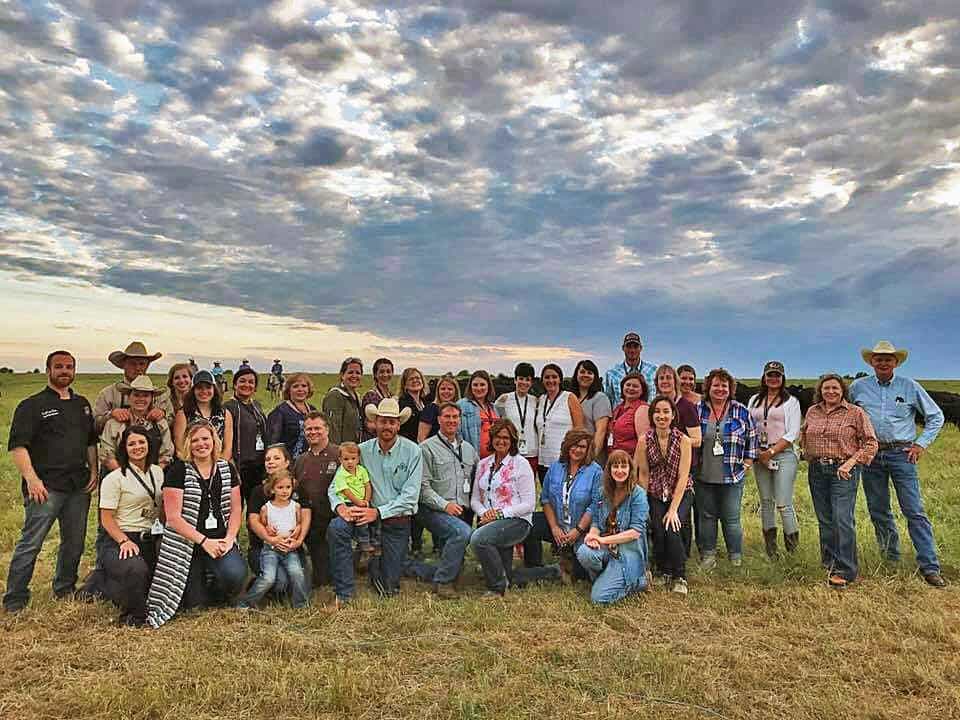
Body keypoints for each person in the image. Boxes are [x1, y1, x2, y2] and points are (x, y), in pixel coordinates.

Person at [4, 351, 98, 612]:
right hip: (45, 488)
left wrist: (94, 471)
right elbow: (18, 447)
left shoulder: (82, 405)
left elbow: (91, 442)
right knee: (31, 543)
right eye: (59, 366)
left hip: (77, 486)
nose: (64, 371)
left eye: (69, 367)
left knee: (74, 541)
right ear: (48, 370)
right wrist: (32, 480)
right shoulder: (31, 405)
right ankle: (15, 599)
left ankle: (65, 588)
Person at [850, 341, 948, 588]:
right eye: (878, 359)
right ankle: (890, 559)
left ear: (896, 362)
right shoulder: (857, 388)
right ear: (871, 362)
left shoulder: (909, 386)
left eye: (888, 359)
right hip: (871, 455)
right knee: (879, 509)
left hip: (902, 453)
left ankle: (929, 566)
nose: (883, 363)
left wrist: (921, 443)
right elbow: (847, 416)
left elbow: (936, 416)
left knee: (914, 510)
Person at [146, 422, 246, 627]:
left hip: (220, 539)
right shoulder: (178, 470)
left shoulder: (227, 468)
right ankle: (200, 582)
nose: (201, 444)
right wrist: (204, 541)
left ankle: (217, 587)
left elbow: (236, 509)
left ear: (214, 441)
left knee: (235, 575)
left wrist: (228, 539)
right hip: (187, 543)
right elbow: (173, 518)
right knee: (193, 606)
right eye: (196, 440)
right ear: (188, 444)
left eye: (205, 438)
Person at [327, 398, 421, 605]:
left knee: (388, 586)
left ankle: (380, 564)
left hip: (395, 519)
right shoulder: (361, 451)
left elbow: (411, 497)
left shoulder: (413, 451)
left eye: (392, 422)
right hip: (363, 516)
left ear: (398, 425)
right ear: (374, 423)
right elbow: (335, 486)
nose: (387, 426)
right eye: (382, 421)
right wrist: (340, 506)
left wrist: (378, 512)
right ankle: (344, 592)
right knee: (337, 527)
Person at [801, 373, 878, 589]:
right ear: (820, 391)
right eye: (826, 388)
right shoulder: (812, 411)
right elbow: (805, 434)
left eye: (835, 388)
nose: (831, 392)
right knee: (825, 519)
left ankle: (846, 569)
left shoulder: (855, 413)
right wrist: (808, 454)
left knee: (842, 518)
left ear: (843, 390)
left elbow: (870, 443)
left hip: (843, 470)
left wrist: (851, 462)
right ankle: (829, 561)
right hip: (817, 470)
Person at [407, 402, 478, 598]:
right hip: (432, 508)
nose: (451, 421)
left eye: (455, 417)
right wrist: (444, 505)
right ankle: (443, 583)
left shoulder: (469, 450)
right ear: (439, 420)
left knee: (458, 560)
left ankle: (417, 569)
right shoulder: (426, 448)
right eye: (447, 417)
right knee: (461, 533)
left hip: (461, 510)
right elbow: (422, 489)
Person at [96, 426, 164, 625]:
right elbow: (106, 518)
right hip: (121, 539)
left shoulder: (158, 472)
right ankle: (135, 617)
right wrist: (124, 541)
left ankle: (104, 583)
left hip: (151, 537)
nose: (137, 447)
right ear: (124, 449)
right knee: (136, 570)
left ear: (149, 444)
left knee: (157, 580)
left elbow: (161, 506)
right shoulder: (114, 478)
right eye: (131, 444)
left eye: (141, 442)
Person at [696, 368, 758, 569]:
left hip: (732, 475)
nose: (720, 389)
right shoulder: (698, 409)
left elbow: (752, 438)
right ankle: (708, 555)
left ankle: (735, 556)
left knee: (731, 518)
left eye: (724, 385)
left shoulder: (741, 410)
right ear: (708, 387)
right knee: (707, 517)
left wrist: (748, 463)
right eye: (716, 385)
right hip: (703, 475)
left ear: (730, 388)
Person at [522, 429, 601, 584]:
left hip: (581, 530)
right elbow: (545, 500)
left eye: (582, 446)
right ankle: (535, 566)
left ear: (588, 449)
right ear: (567, 446)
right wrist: (554, 528)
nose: (577, 450)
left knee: (581, 574)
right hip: (558, 525)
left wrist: (577, 531)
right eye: (574, 445)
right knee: (527, 523)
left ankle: (562, 567)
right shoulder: (555, 467)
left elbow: (594, 506)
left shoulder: (595, 471)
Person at [470, 419, 537, 598]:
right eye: (497, 437)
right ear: (491, 439)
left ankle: (497, 588)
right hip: (490, 520)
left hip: (517, 521)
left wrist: (499, 514)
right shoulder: (483, 463)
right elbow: (475, 499)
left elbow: (529, 504)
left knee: (479, 539)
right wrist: (486, 514)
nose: (501, 441)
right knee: (508, 573)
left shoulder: (521, 464)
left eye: (506, 437)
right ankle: (554, 571)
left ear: (512, 440)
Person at [575, 450, 650, 604]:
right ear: (609, 469)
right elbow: (596, 521)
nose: (620, 471)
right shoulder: (602, 492)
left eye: (624, 466)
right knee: (583, 551)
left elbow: (635, 533)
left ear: (630, 469)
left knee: (598, 599)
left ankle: (639, 581)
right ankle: (607, 578)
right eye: (615, 466)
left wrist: (602, 540)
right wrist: (592, 536)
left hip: (627, 553)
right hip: (607, 549)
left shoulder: (638, 494)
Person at [636, 397, 694, 595]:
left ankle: (680, 576)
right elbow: (642, 474)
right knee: (658, 529)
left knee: (672, 526)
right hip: (655, 491)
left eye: (666, 411)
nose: (662, 416)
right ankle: (662, 570)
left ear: (673, 415)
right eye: (657, 412)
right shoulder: (644, 440)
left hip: (681, 491)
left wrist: (673, 509)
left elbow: (683, 476)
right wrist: (642, 502)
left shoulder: (683, 440)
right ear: (652, 415)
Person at [748, 361, 802, 558]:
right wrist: (756, 453)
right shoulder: (754, 400)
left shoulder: (791, 402)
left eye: (777, 375)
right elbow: (748, 426)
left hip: (783, 454)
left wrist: (770, 453)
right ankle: (771, 550)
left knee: (783, 503)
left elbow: (793, 432)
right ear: (764, 377)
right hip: (759, 454)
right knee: (766, 501)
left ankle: (792, 551)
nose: (773, 378)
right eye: (770, 374)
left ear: (783, 378)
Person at [239, 471, 310, 609]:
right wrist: (268, 529)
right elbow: (262, 524)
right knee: (268, 578)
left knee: (297, 573)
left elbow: (299, 523)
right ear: (272, 489)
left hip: (289, 549)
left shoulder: (296, 506)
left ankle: (301, 605)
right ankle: (246, 602)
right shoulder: (266, 508)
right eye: (280, 487)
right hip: (270, 550)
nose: (284, 491)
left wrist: (298, 529)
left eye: (288, 487)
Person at [246, 444, 311, 591]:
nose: (270, 461)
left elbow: (305, 516)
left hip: (291, 546)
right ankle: (260, 582)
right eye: (267, 459)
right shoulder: (258, 491)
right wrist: (271, 539)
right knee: (280, 584)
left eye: (276, 458)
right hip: (264, 547)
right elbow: (253, 521)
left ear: (287, 462)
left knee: (300, 582)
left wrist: (299, 540)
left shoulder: (297, 489)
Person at [292, 412, 339, 587]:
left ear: (327, 429)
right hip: (310, 522)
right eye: (308, 429)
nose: (313, 432)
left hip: (334, 519)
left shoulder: (339, 454)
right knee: (321, 579)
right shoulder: (301, 460)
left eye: (317, 428)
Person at [98, 375, 175, 473]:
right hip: (119, 477)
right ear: (129, 397)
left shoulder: (160, 423)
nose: (141, 399)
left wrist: (153, 476)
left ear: (152, 398)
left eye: (145, 395)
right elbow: (107, 455)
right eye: (136, 395)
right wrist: (126, 477)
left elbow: (166, 455)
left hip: (153, 476)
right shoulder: (114, 423)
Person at [93, 341, 172, 433]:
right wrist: (111, 415)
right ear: (123, 365)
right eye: (133, 363)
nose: (138, 368)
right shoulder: (107, 394)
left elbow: (172, 421)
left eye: (142, 364)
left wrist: (162, 414)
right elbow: (94, 425)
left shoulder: (160, 395)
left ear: (147, 366)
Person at [223, 366, 268, 504]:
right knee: (235, 507)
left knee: (257, 508)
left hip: (258, 465)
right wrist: (231, 466)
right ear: (235, 385)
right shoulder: (228, 407)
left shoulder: (257, 406)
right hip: (240, 465)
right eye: (242, 381)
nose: (246, 385)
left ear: (255, 387)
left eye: (251, 382)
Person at [172, 369, 234, 461]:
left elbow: (228, 448)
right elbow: (180, 449)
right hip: (191, 465)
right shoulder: (183, 414)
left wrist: (217, 467)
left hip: (219, 464)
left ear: (214, 389)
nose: (204, 391)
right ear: (193, 390)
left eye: (208, 387)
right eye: (199, 388)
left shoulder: (225, 414)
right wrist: (198, 468)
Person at [332, 442, 379, 556]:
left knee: (375, 518)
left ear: (358, 458)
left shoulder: (361, 470)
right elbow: (346, 491)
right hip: (349, 502)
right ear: (340, 459)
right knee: (360, 520)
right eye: (346, 459)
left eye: (353, 458)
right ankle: (363, 542)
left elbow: (367, 485)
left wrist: (366, 501)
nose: (350, 462)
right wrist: (358, 503)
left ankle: (375, 540)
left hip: (363, 501)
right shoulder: (340, 474)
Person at [536, 364, 584, 475]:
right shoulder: (541, 399)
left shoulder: (569, 397)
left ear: (560, 379)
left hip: (563, 459)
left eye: (554, 377)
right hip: (543, 460)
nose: (550, 380)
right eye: (547, 377)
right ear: (542, 380)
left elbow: (579, 430)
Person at [494, 363, 540, 471]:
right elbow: (497, 424)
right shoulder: (504, 400)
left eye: (527, 379)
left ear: (531, 382)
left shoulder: (536, 401)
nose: (524, 382)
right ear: (515, 380)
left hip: (531, 453)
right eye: (521, 378)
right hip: (510, 451)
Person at [267, 372, 318, 458]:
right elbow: (273, 443)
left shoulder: (313, 410)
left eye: (304, 386)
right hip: (288, 463)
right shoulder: (280, 412)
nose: (300, 389)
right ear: (288, 390)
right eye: (295, 386)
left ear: (308, 389)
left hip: (309, 461)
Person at [603, 332, 657, 407]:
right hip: (621, 417)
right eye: (628, 346)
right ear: (623, 348)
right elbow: (608, 402)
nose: (632, 350)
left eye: (635, 346)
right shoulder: (611, 374)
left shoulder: (654, 371)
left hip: (647, 415)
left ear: (641, 348)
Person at [573, 360, 612, 459]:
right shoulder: (571, 397)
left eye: (589, 373)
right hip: (573, 453)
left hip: (591, 456)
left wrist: (591, 458)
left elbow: (601, 432)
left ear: (595, 377)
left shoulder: (600, 398)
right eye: (582, 372)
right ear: (576, 374)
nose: (585, 375)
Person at [457, 370, 500, 460]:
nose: (479, 388)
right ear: (470, 387)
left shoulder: (493, 407)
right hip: (472, 459)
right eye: (475, 385)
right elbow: (457, 434)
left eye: (482, 385)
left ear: (488, 386)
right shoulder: (462, 405)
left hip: (493, 459)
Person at [608, 373, 650, 459]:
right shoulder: (618, 408)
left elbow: (644, 443)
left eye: (635, 386)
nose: (631, 388)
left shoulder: (643, 408)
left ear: (642, 391)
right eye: (628, 385)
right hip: (615, 461)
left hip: (630, 462)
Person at [322, 358, 364, 445]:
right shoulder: (335, 396)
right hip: (341, 452)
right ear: (342, 375)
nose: (354, 376)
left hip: (352, 451)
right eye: (350, 372)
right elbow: (333, 430)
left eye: (358, 373)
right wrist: (336, 453)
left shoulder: (356, 397)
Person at [419, 374, 462, 441]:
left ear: (455, 391)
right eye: (443, 389)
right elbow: (421, 438)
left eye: (450, 389)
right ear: (438, 391)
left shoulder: (460, 408)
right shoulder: (430, 409)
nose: (446, 391)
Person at [361, 358, 394, 440]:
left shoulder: (391, 396)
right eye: (382, 372)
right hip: (373, 441)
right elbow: (369, 425)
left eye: (388, 371)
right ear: (375, 374)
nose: (385, 375)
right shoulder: (370, 396)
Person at [397, 368, 428, 442]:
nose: (415, 381)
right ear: (405, 385)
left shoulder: (426, 402)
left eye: (418, 378)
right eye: (411, 379)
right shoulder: (402, 403)